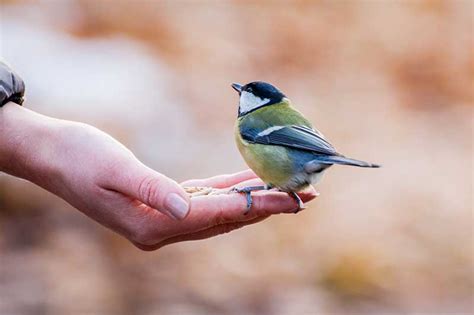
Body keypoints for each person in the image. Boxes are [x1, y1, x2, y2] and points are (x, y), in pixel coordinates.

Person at [0, 61, 316, 250]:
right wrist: (43, 147)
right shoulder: (256, 120)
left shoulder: (253, 122)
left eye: (245, 92)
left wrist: (41, 144)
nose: (239, 93)